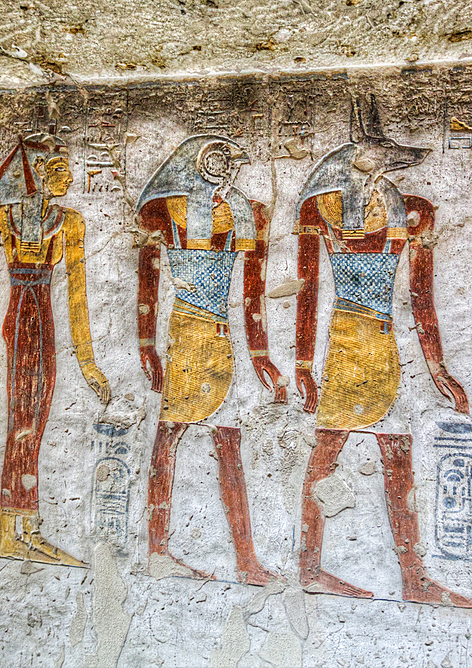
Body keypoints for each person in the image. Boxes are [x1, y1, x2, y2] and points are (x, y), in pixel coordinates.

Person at [293, 96, 472, 606]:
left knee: (397, 458)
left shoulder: (413, 212)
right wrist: (304, 366)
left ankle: (414, 577)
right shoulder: (320, 209)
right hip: (345, 344)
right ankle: (309, 565)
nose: (375, 169)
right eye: (367, 157)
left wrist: (439, 367)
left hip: (384, 346)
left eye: (383, 159)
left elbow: (421, 297)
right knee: (327, 453)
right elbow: (307, 290)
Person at [137, 135, 286, 585]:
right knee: (168, 439)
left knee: (229, 446)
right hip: (185, 336)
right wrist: (147, 346)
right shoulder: (163, 214)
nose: (229, 168)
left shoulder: (245, 212)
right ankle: (157, 550)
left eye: (232, 161)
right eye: (219, 158)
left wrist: (261, 355)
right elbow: (148, 284)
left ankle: (245, 561)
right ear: (197, 163)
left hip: (222, 341)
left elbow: (252, 292)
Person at [0, 126, 110, 567]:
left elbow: (77, 295)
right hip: (19, 324)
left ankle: (25, 528)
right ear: (34, 173)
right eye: (58, 168)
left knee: (36, 421)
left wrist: (87, 360)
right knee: (21, 423)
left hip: (45, 324)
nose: (68, 177)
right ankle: (10, 531)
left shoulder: (70, 222)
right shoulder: (1, 220)